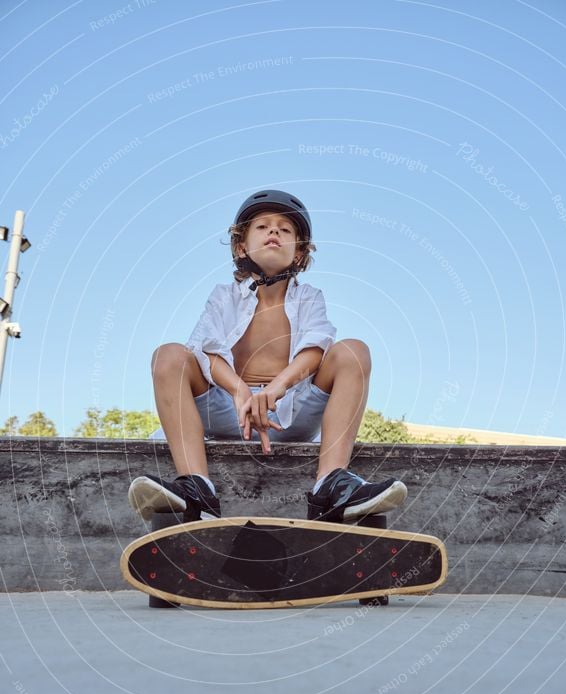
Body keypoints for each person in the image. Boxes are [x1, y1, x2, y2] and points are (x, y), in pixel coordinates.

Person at [128, 189, 407, 523]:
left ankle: (330, 486)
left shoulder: (309, 298)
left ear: (300, 252)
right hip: (228, 409)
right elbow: (207, 350)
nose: (274, 232)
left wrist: (276, 388)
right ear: (242, 246)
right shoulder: (223, 297)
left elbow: (316, 348)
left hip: (290, 411)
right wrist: (239, 390)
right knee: (169, 356)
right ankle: (197, 488)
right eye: (263, 227)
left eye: (285, 229)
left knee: (353, 350)